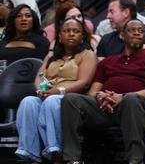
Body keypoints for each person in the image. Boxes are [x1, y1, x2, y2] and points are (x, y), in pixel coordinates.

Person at [61, 19, 145, 164]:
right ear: (122, 35)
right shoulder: (108, 61)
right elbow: (93, 92)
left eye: (141, 31)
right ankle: (72, 159)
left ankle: (135, 160)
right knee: (70, 100)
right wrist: (101, 96)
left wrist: (122, 97)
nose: (137, 33)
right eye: (132, 30)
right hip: (105, 107)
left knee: (131, 99)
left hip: (137, 108)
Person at [15, 17, 97, 163]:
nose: (71, 34)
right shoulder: (51, 56)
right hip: (48, 95)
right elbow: (40, 76)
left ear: (82, 36)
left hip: (71, 99)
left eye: (75, 31)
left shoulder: (88, 55)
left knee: (52, 101)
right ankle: (31, 156)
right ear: (59, 36)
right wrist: (41, 90)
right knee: (28, 102)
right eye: (66, 31)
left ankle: (56, 154)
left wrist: (58, 91)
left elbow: (84, 83)